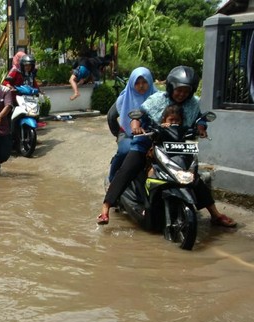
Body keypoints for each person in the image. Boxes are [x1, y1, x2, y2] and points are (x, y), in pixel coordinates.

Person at [97, 66, 236, 227]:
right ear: (171, 87)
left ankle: (215, 215)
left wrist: (201, 127)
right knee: (128, 168)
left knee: (193, 177)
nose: (182, 94)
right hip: (147, 143)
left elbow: (200, 119)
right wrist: (135, 124)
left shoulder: (193, 103)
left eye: (186, 91)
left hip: (177, 146)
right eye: (179, 90)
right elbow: (139, 114)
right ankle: (106, 208)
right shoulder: (157, 100)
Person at [108, 67, 157, 183]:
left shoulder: (158, 97)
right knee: (125, 151)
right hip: (127, 133)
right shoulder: (124, 98)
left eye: (144, 82)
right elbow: (111, 117)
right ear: (132, 84)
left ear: (150, 81)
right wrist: (119, 134)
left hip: (153, 134)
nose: (141, 86)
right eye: (137, 83)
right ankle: (112, 179)